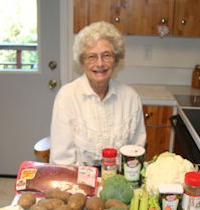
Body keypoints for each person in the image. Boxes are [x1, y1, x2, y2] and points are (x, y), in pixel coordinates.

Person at [50, 21, 146, 167]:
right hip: (79, 182)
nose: (100, 63)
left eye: (106, 55)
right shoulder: (67, 97)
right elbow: (62, 161)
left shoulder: (131, 98)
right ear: (82, 62)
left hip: (120, 180)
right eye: (92, 56)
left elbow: (136, 152)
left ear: (116, 60)